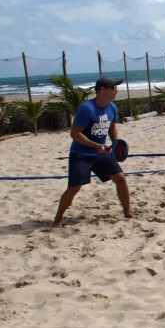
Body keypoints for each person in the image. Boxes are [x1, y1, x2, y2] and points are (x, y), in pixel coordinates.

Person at [54, 77, 133, 227]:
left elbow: (112, 127)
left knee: (120, 178)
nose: (116, 91)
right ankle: (58, 218)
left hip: (100, 153)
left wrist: (115, 143)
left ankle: (127, 212)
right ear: (102, 90)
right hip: (81, 154)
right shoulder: (86, 108)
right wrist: (95, 145)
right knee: (74, 188)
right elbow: (75, 134)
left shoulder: (112, 107)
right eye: (113, 88)